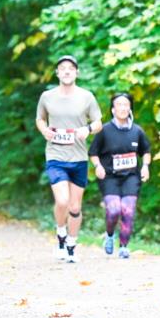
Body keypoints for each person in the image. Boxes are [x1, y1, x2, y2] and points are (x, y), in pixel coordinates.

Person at [36, 55, 102, 264]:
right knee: (62, 200)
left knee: (74, 207)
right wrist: (44, 130)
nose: (66, 71)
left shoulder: (86, 97)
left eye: (70, 68)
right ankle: (60, 232)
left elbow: (98, 122)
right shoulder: (47, 96)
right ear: (57, 73)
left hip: (79, 157)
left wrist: (87, 129)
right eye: (62, 68)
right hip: (55, 155)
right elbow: (40, 118)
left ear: (76, 73)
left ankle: (71, 245)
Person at [88, 92, 152, 259]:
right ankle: (109, 235)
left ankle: (124, 246)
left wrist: (145, 166)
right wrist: (98, 166)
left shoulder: (137, 131)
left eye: (126, 105)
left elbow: (146, 151)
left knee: (127, 210)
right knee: (114, 209)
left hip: (131, 177)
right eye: (119, 105)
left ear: (130, 108)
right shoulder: (104, 130)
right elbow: (93, 152)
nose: (123, 108)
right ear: (113, 109)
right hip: (110, 177)